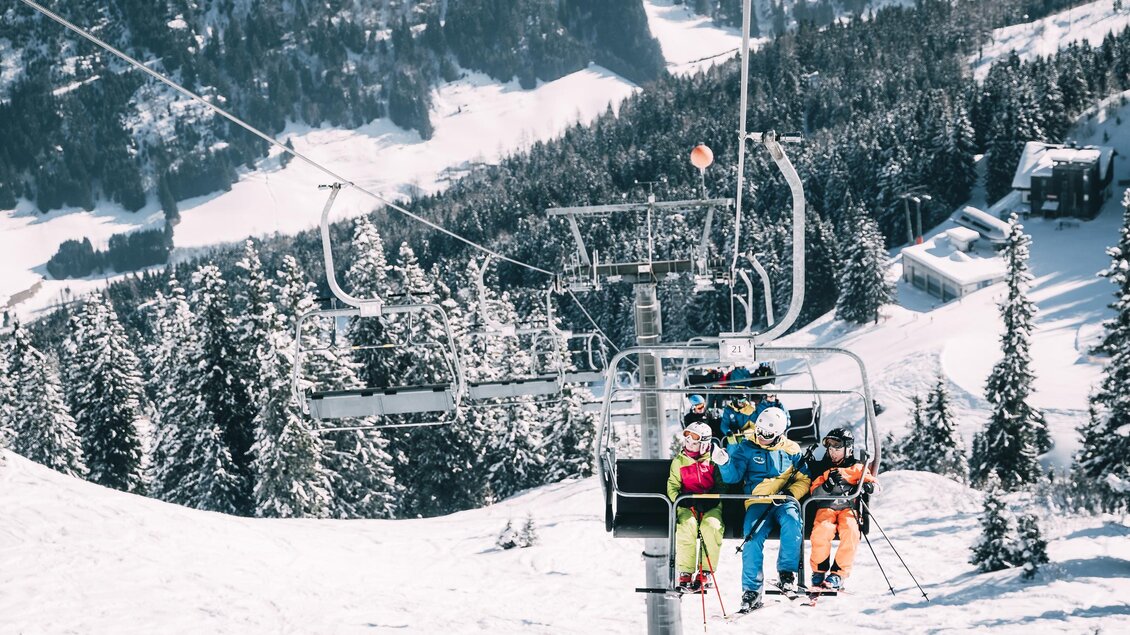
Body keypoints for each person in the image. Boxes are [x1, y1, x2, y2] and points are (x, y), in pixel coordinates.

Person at [712, 407, 811, 612]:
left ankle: (786, 573)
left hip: (784, 500)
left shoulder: (792, 450)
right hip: (758, 500)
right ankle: (752, 590)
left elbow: (804, 479)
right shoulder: (746, 447)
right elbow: (733, 477)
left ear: (779, 434)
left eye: (767, 434)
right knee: (752, 536)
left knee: (793, 522)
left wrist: (791, 494)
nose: (761, 437)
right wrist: (725, 463)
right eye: (759, 431)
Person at [806, 427, 877, 590]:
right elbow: (814, 492)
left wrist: (868, 486)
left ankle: (838, 574)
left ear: (848, 448)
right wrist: (827, 485)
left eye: (837, 449)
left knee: (851, 531)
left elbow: (875, 484)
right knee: (822, 531)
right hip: (826, 508)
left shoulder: (857, 468)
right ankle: (818, 571)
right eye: (830, 449)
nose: (833, 453)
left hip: (848, 508)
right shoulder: (823, 468)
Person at [667, 422, 724, 592]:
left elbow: (723, 484)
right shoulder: (679, 461)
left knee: (712, 527)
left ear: (705, 444)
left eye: (694, 443)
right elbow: (672, 485)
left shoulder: (714, 461)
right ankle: (685, 571)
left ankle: (705, 571)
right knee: (686, 526)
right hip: (687, 504)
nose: (689, 446)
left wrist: (712, 498)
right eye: (687, 442)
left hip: (711, 504)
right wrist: (680, 499)